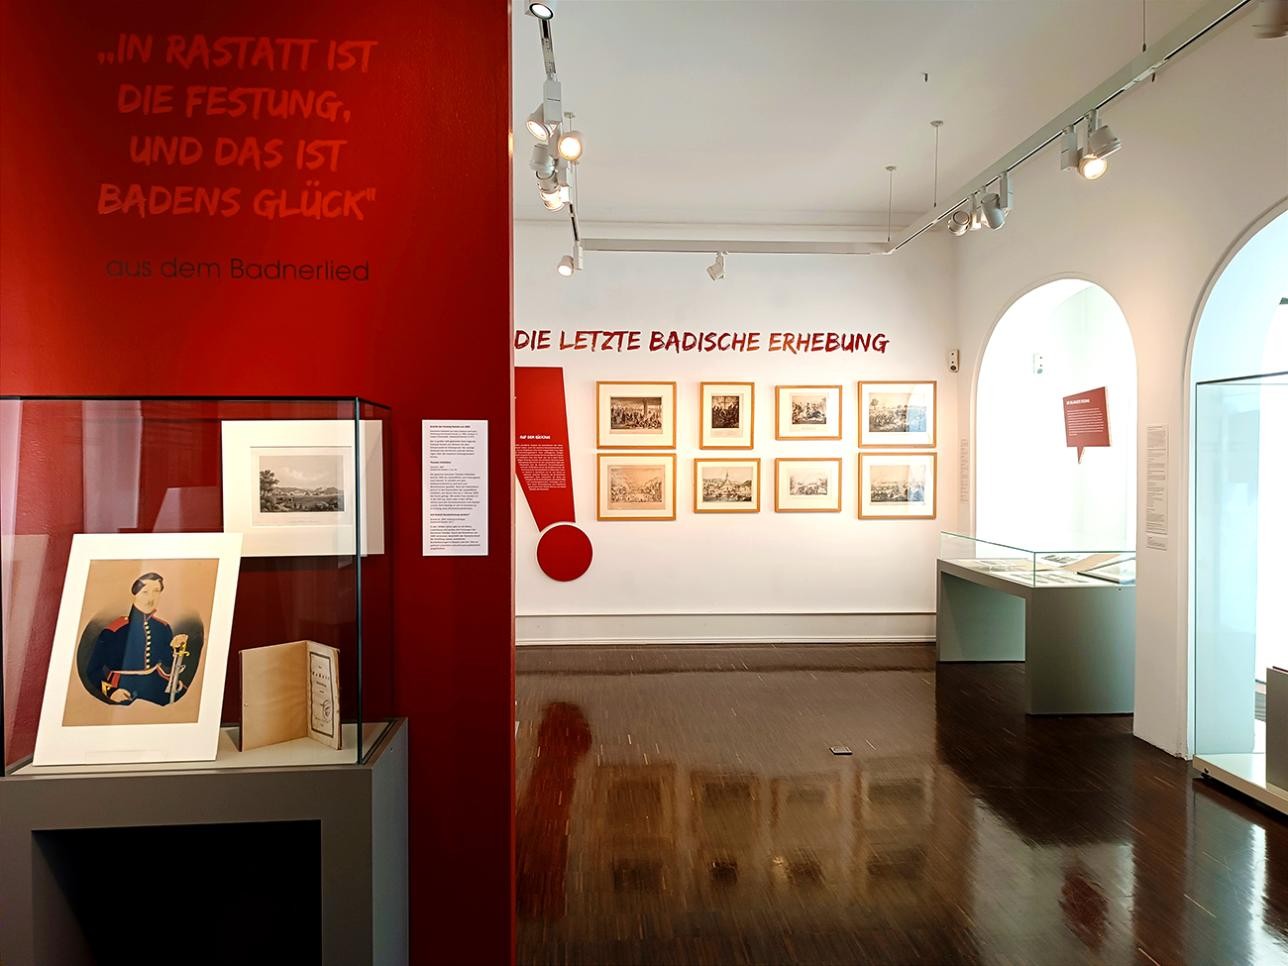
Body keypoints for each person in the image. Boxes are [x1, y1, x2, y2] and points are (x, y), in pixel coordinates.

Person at [84, 572, 191, 706]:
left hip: (155, 682)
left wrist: (176, 648)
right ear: (135, 594)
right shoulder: (114, 630)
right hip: (123, 686)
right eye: (145, 592)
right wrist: (111, 691)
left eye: (156, 591)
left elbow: (168, 663)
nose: (151, 598)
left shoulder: (163, 627)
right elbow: (92, 671)